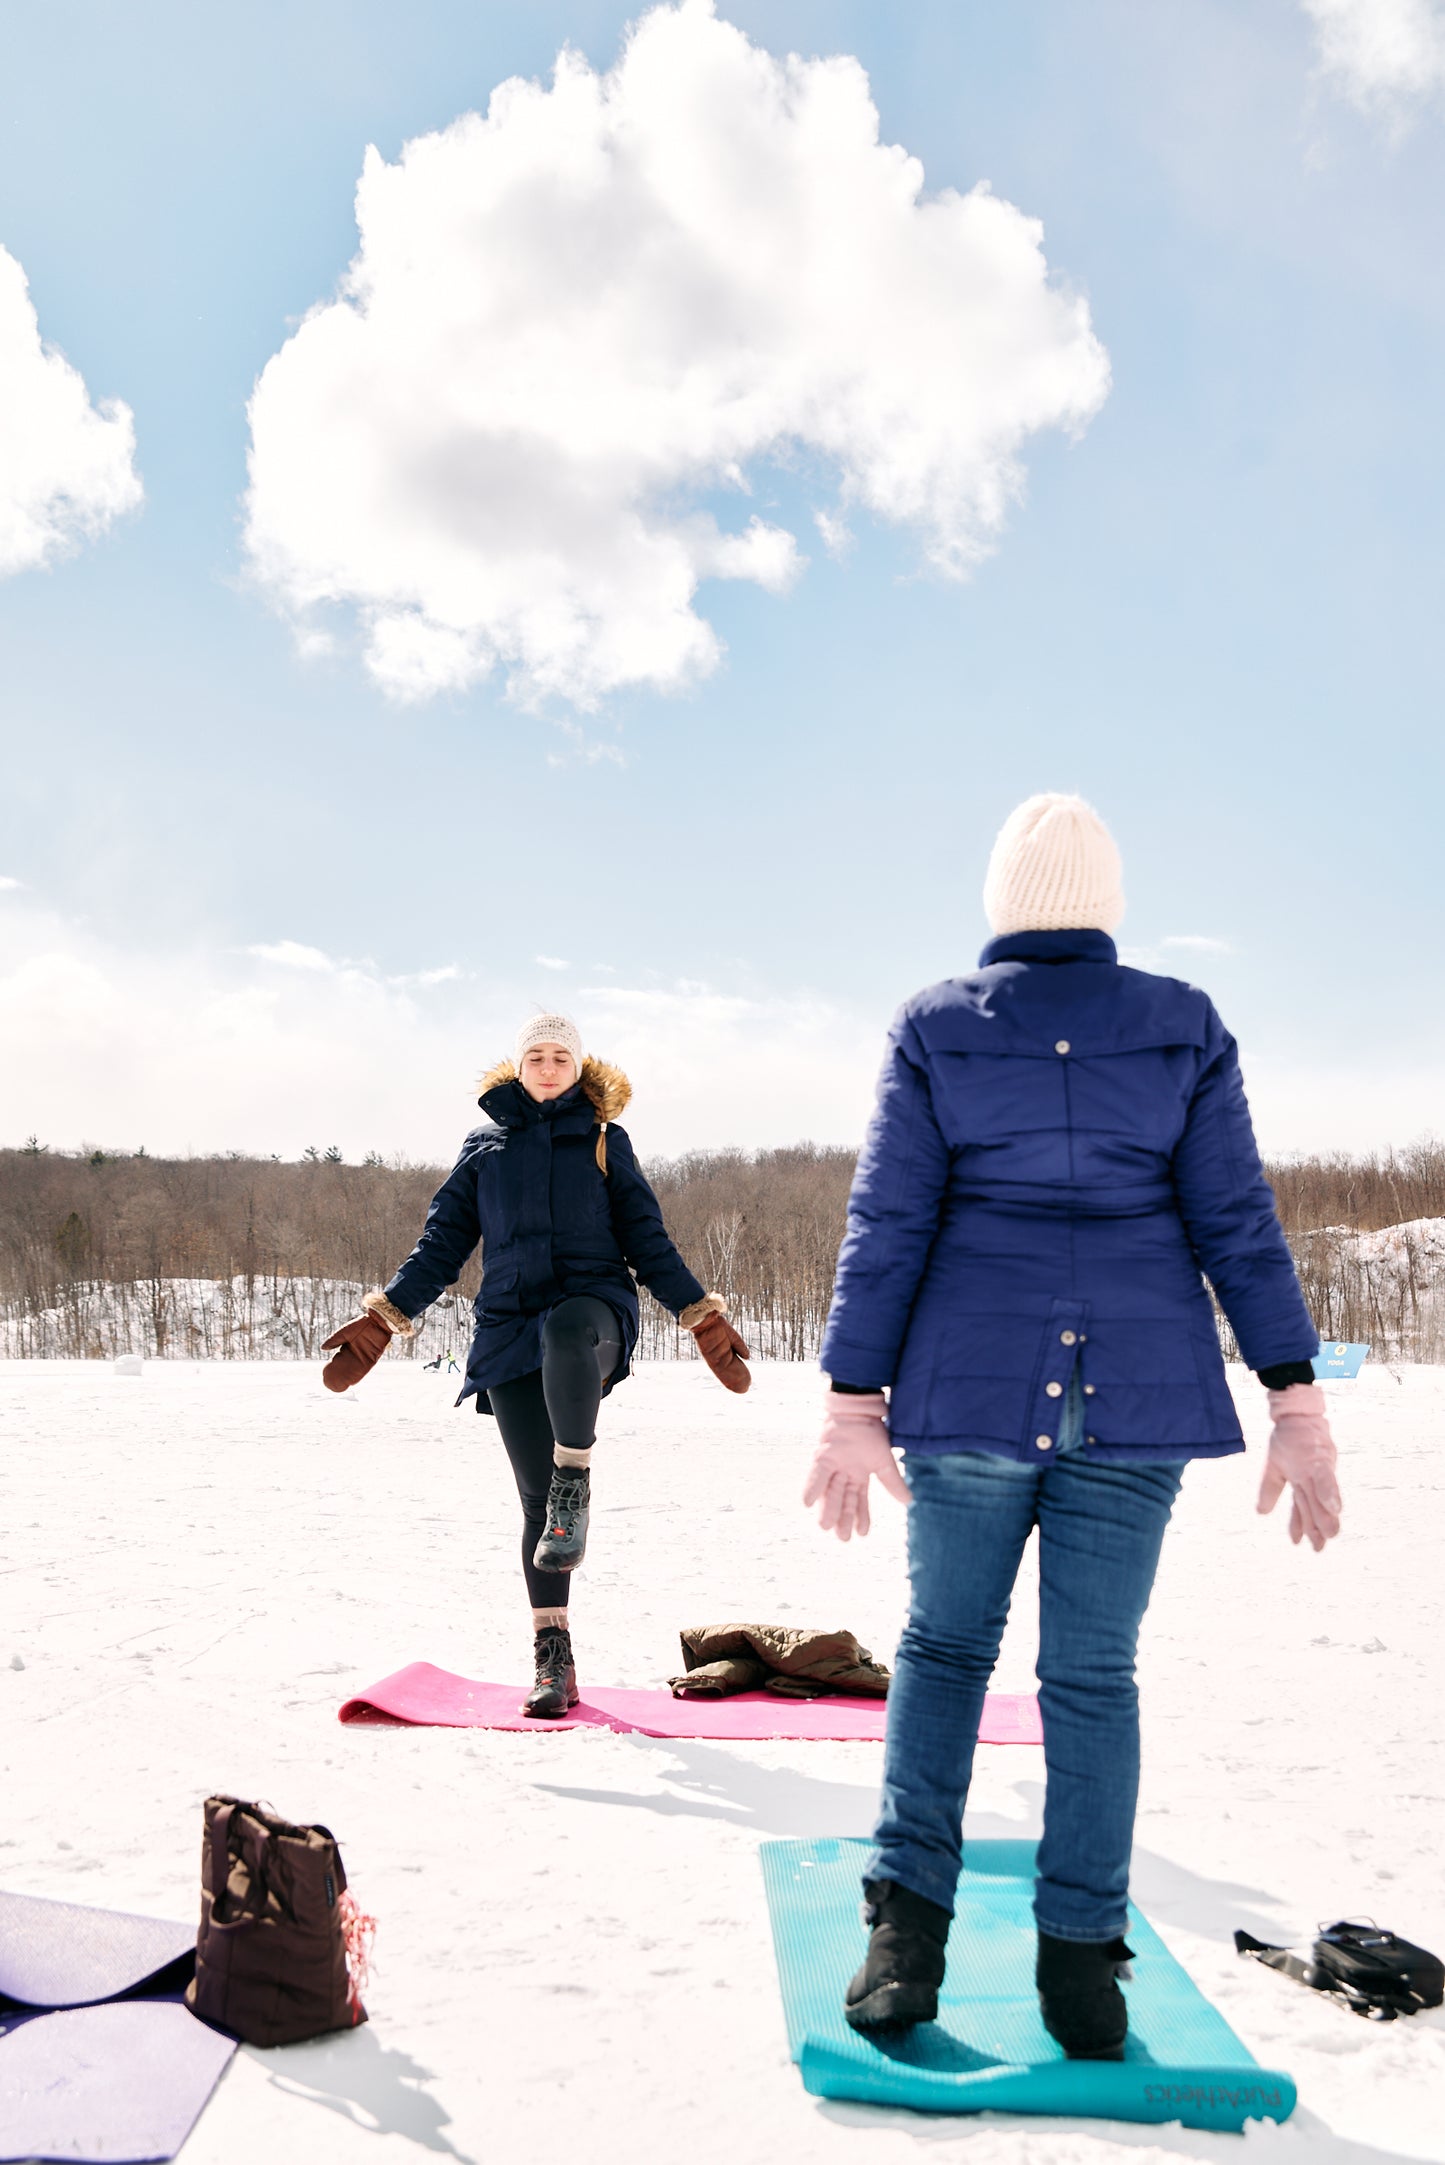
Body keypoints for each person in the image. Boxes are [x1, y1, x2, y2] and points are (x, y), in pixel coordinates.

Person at [804, 794, 1342, 2060]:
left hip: (969, 1380)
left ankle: (906, 1940)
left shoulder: (934, 1022)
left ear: (1001, 900)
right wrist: (1292, 1393)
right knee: (1090, 1679)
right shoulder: (1182, 1023)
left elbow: (888, 1218)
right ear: (1104, 903)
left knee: (941, 1652)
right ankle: (1080, 1968)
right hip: (1139, 1389)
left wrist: (849, 1395)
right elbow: (1234, 1220)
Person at [321, 1012, 750, 1716]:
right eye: (536, 1056)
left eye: (561, 1056)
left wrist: (699, 1314)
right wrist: (383, 1317)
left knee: (568, 1333)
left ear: (579, 1068)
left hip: (592, 1311)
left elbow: (647, 1240)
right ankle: (554, 1656)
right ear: (517, 1067)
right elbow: (441, 1245)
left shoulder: (607, 1142)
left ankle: (574, 1481)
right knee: (532, 1502)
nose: (548, 1067)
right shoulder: (484, 1148)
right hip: (507, 1325)